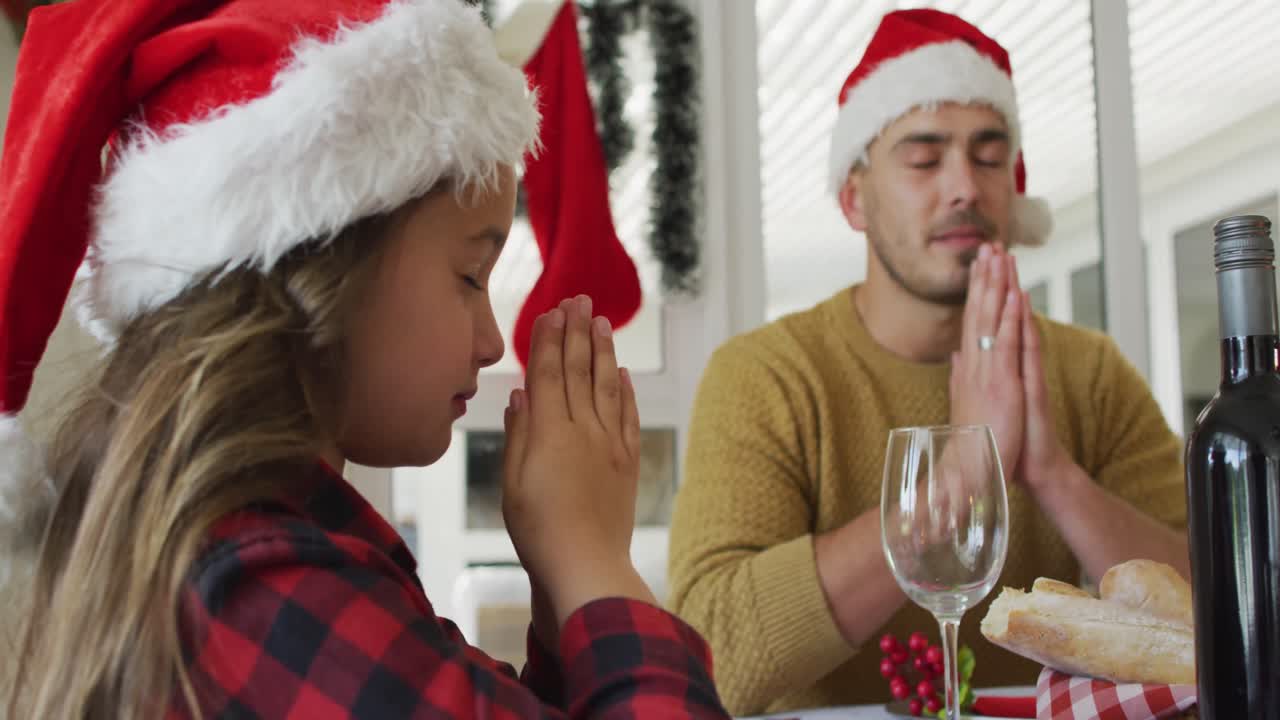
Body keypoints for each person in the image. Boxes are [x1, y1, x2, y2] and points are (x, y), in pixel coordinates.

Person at [0, 1, 731, 718]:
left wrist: (559, 586)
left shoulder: (291, 559)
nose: (492, 341)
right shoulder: (259, 591)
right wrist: (591, 559)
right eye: (470, 277)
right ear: (325, 272)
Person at [666, 8, 1190, 715]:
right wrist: (959, 480)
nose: (964, 187)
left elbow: (1222, 622)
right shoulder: (766, 376)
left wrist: (1050, 472)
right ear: (855, 199)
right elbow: (710, 657)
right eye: (922, 157)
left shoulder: (1091, 373)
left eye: (988, 154)